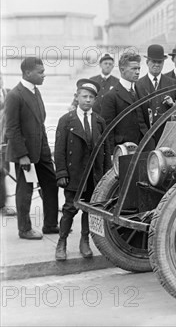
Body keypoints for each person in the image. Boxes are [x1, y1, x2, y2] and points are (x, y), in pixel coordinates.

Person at [54, 79, 111, 261]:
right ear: (77, 97)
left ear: (95, 100)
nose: (87, 100)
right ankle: (61, 242)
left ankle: (84, 240)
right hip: (74, 175)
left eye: (91, 97)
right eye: (84, 96)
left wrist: (106, 177)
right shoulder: (66, 120)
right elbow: (59, 149)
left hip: (93, 176)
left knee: (89, 208)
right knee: (70, 209)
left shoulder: (99, 122)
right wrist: (61, 173)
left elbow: (106, 151)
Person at [4, 57, 59, 240]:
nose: (44, 75)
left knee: (51, 184)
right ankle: (24, 229)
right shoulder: (15, 95)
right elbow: (12, 128)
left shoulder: (36, 91)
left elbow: (39, 123)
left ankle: (50, 225)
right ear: (28, 73)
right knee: (25, 190)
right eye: (40, 72)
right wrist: (22, 155)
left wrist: (45, 148)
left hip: (41, 150)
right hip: (25, 154)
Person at [100, 52, 154, 151]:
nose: (137, 72)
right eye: (133, 69)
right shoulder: (111, 97)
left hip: (145, 147)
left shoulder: (142, 90)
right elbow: (108, 132)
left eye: (138, 68)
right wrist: (112, 155)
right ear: (122, 69)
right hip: (124, 150)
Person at [135, 44, 176, 144]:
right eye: (153, 61)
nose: (157, 65)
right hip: (145, 136)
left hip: (167, 135)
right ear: (147, 62)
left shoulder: (172, 83)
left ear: (163, 63)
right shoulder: (138, 85)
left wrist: (172, 104)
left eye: (160, 62)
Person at [0, 75, 16, 216]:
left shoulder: (8, 93)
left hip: (4, 141)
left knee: (4, 171)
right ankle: (2, 205)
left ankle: (3, 204)